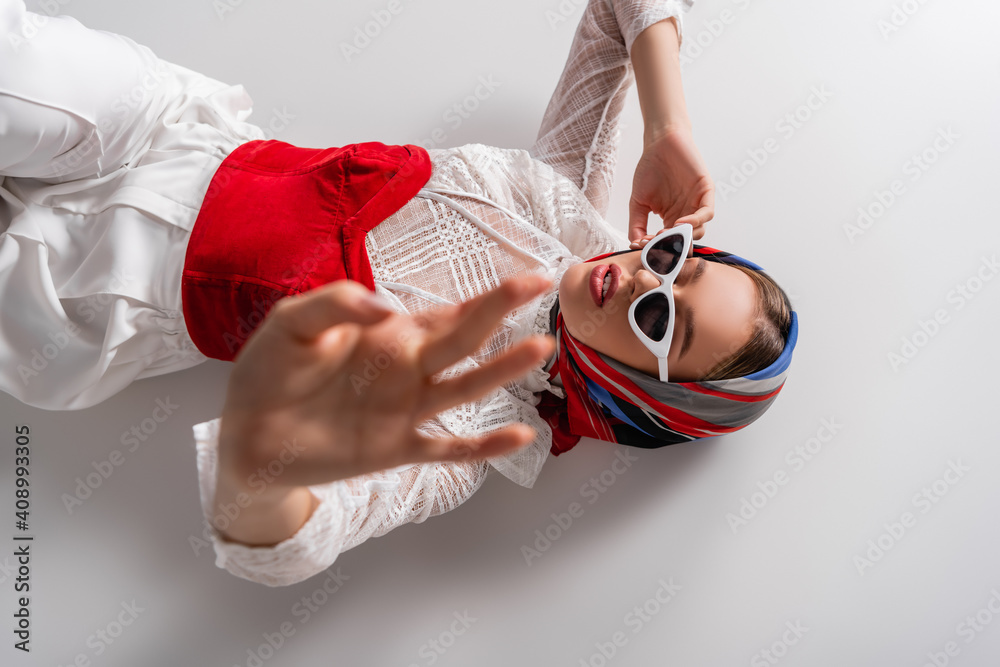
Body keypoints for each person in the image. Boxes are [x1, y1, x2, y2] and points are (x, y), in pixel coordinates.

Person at [0, 0, 799, 587]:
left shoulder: (477, 426)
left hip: (98, 291)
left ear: (640, 397)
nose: (641, 279)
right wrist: (668, 126)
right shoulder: (567, 204)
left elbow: (289, 542)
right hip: (166, 132)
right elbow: (616, 10)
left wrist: (274, 446)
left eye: (663, 317)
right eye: (676, 260)